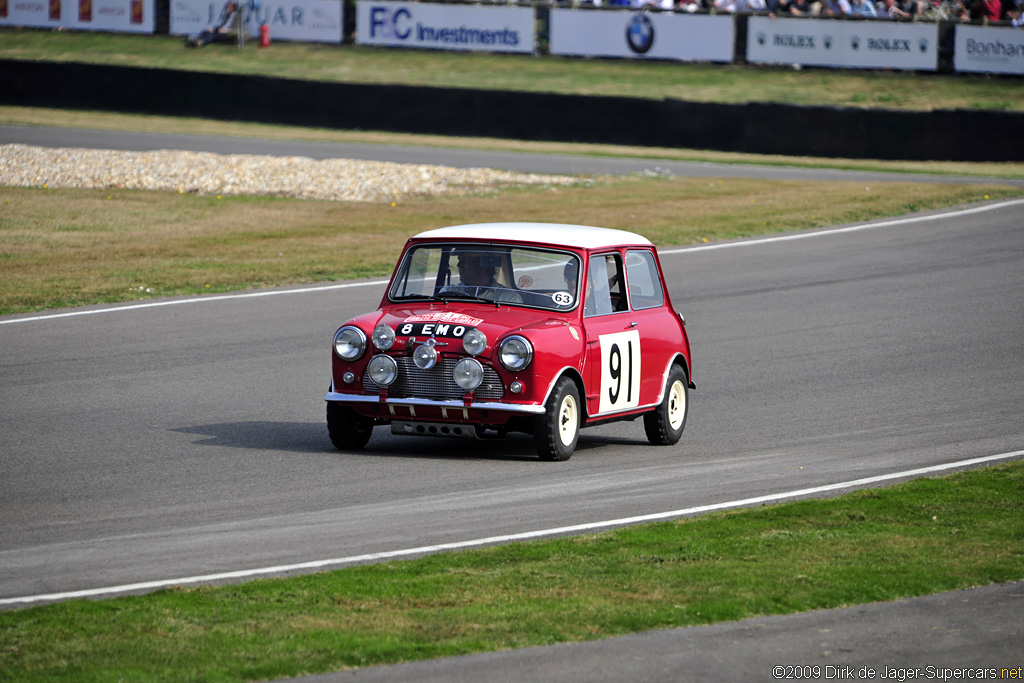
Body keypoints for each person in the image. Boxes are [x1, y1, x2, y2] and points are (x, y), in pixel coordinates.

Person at [440, 250, 522, 304]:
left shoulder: (508, 299)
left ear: (483, 265)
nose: (459, 265)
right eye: (459, 259)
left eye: (466, 260)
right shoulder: (448, 292)